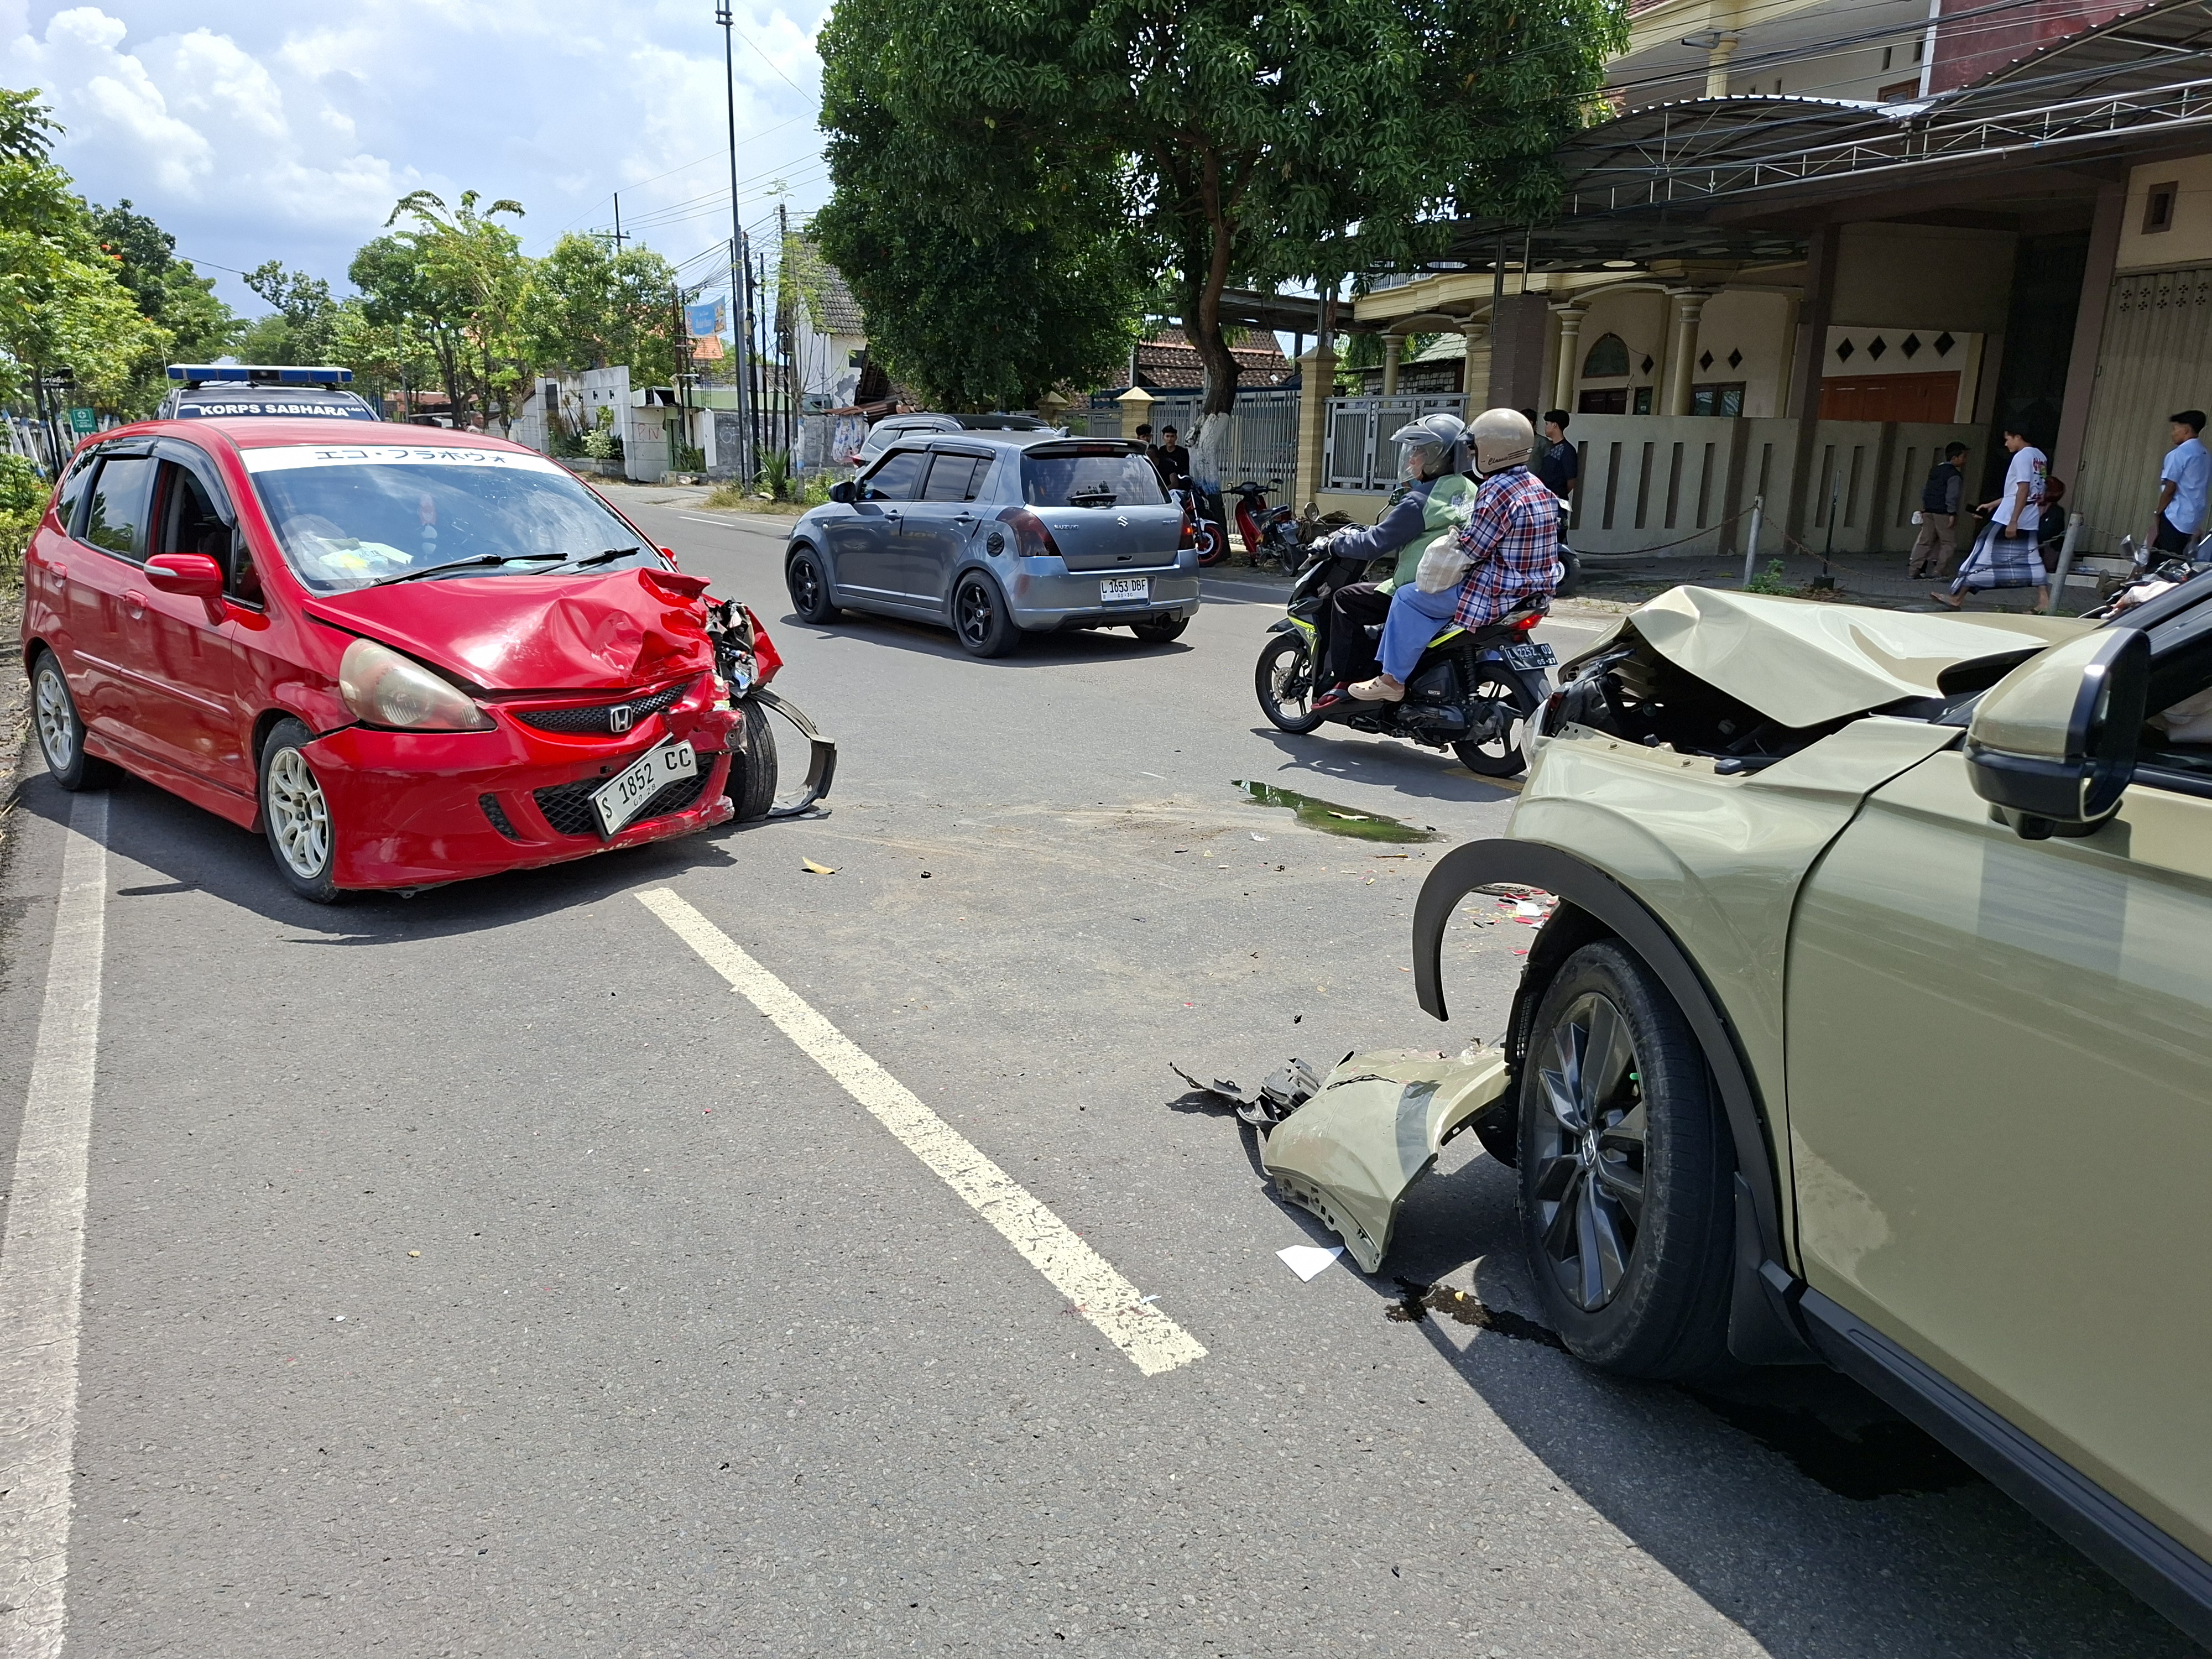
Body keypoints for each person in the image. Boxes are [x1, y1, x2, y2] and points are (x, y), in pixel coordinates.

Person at [1349, 409, 1560, 703]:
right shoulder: (1537, 487)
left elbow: (1473, 549)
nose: (1472, 456)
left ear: (1491, 451)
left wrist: (1450, 544)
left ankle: (1391, 680)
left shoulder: (1495, 489)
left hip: (1496, 592)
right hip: (1535, 591)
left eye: (1475, 449)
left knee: (1408, 597)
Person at [1306, 415, 1474, 709]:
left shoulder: (1420, 501)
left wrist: (1333, 542)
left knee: (1347, 599)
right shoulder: (1469, 490)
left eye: (1417, 451)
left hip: (1420, 585)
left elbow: (1375, 543)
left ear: (1436, 456)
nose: (1411, 457)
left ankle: (1346, 681)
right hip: (1460, 583)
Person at [1934, 426, 2048, 613]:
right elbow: (2033, 490)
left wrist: (2013, 521)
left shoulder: (2021, 457)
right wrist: (1993, 504)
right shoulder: (2040, 457)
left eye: (2008, 439)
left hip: (2010, 516)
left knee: (1981, 552)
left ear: (2018, 436)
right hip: (2030, 515)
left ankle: (1957, 597)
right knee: (2030, 557)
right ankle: (2044, 600)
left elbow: (2023, 489)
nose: (2006, 444)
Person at [1907, 441, 1969, 580]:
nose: (1964, 460)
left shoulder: (1935, 470)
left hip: (1928, 510)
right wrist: (1952, 513)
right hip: (1944, 512)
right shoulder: (1954, 475)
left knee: (1925, 541)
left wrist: (1925, 505)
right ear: (1955, 458)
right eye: (1963, 457)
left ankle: (1913, 571)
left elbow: (1925, 490)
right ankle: (1938, 571)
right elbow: (1952, 496)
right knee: (1949, 543)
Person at [2153, 409, 2209, 557]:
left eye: (2175, 429)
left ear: (2185, 429)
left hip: (2175, 517)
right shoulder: (2204, 454)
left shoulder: (2179, 454)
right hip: (2194, 518)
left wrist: (2158, 512)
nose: (2173, 433)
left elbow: (2170, 488)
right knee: (2181, 561)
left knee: (2163, 561)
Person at [1535, 411, 1577, 500]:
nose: (1545, 427)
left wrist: (1559, 494)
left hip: (1555, 499)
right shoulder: (1547, 446)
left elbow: (1571, 480)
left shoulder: (1567, 450)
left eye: (1547, 424)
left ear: (1554, 425)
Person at [1155, 425, 1192, 495]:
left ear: (1176, 438)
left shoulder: (1183, 453)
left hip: (1179, 487)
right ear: (1163, 437)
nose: (1170, 439)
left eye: (1172, 436)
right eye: (1167, 436)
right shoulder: (1161, 451)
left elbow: (1186, 471)